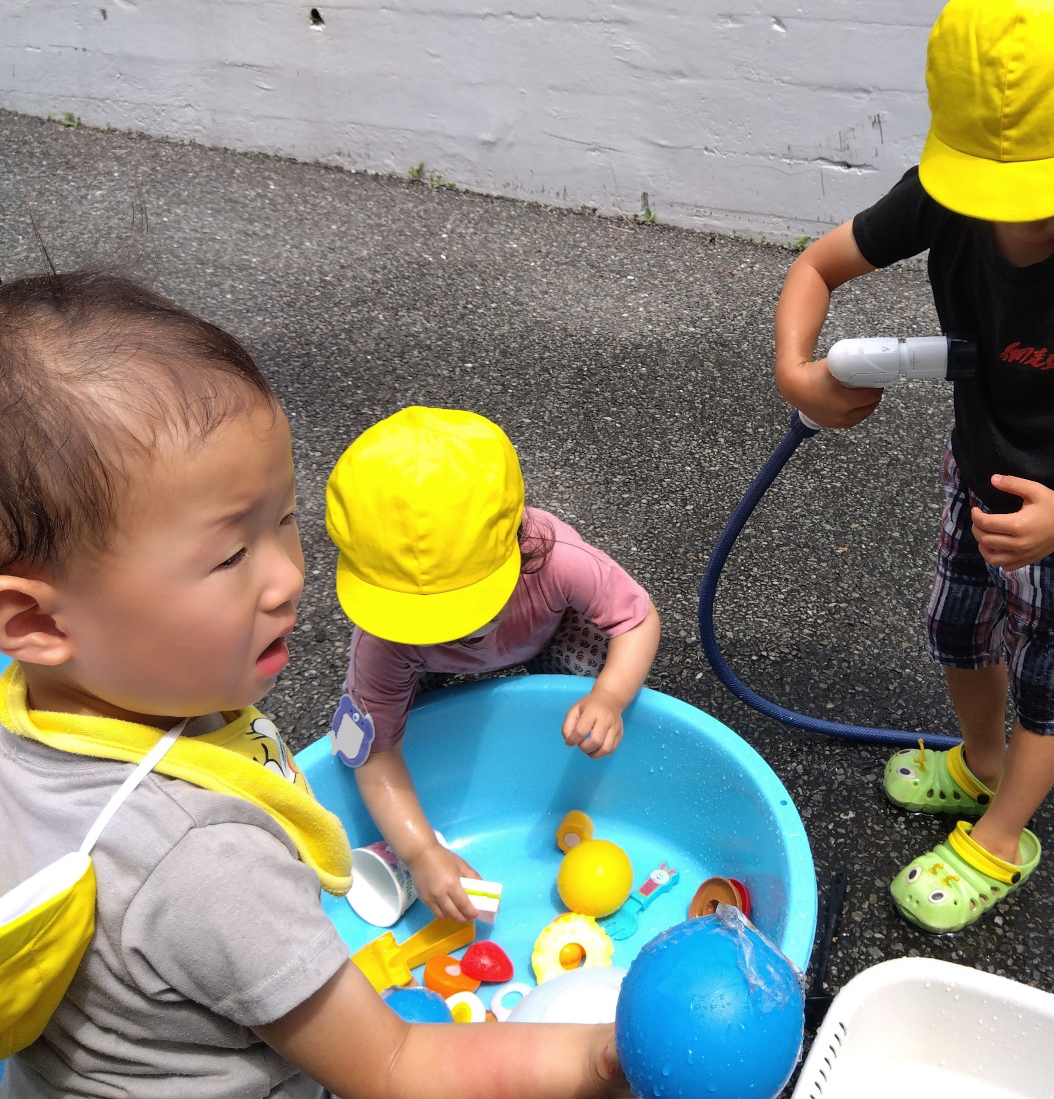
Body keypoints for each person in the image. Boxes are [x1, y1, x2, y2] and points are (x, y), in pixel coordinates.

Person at [0, 269, 627, 1098]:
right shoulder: (207, 863)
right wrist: (601, 1056)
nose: (289, 577)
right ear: (39, 622)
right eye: (230, 554)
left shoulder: (55, 693)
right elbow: (398, 1067)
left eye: (286, 519)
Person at [773, 0, 1054, 933]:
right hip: (979, 475)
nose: (1018, 226)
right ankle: (980, 763)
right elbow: (818, 265)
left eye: (1051, 202)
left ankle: (1005, 835)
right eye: (999, 196)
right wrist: (798, 373)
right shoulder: (950, 192)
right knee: (960, 629)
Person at [325, 406, 661, 922]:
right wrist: (421, 852)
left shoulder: (556, 561)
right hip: (421, 668)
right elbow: (371, 755)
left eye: (459, 605)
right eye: (419, 615)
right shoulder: (385, 640)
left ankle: (580, 696)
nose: (447, 628)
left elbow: (635, 619)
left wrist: (609, 697)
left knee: (596, 693)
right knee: (390, 726)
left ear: (515, 541)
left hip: (547, 628)